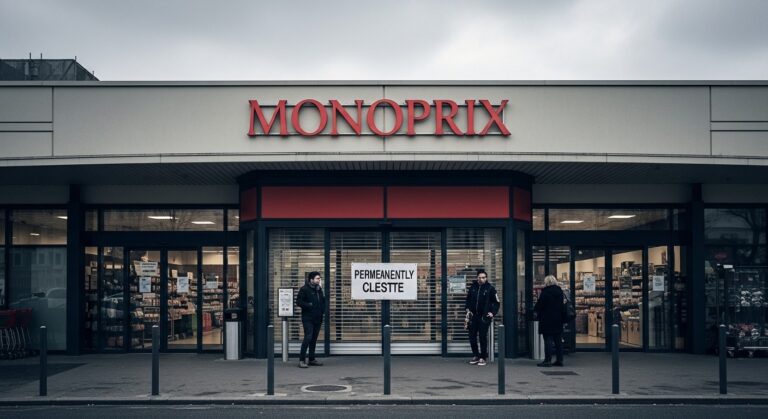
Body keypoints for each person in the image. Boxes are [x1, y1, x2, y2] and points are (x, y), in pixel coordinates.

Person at [465, 269, 500, 366]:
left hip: (484, 317)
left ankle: (483, 357)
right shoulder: (473, 287)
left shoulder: (490, 288)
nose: (481, 279)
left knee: (482, 337)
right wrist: (467, 308)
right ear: (477, 278)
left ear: (486, 278)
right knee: (472, 336)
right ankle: (475, 355)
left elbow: (497, 303)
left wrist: (492, 313)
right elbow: (468, 299)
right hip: (473, 316)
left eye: (483, 277)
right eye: (480, 277)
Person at [534, 275, 565, 367]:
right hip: (558, 319)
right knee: (558, 340)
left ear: (546, 282)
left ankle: (548, 360)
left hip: (547, 319)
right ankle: (560, 360)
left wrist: (536, 309)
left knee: (547, 340)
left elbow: (539, 305)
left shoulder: (545, 292)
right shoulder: (560, 292)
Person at [296, 271, 325, 368]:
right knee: (308, 338)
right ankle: (301, 360)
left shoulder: (319, 289)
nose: (319, 280)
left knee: (314, 339)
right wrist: (309, 305)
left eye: (319, 278)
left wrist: (322, 311)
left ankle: (311, 359)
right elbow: (298, 302)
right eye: (317, 278)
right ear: (311, 279)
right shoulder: (304, 289)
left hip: (318, 317)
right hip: (308, 318)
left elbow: (322, 301)